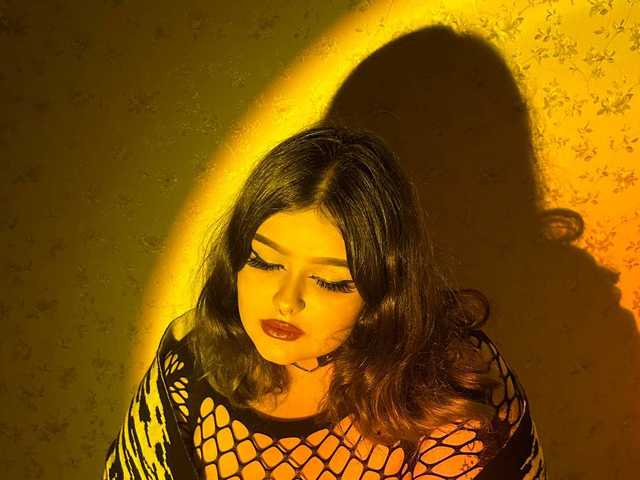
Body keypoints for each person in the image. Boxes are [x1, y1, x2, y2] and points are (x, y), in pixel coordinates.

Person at [103, 125, 546, 479]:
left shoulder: (449, 386)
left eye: (330, 282)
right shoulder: (192, 359)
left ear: (382, 293)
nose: (285, 300)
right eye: (263, 262)